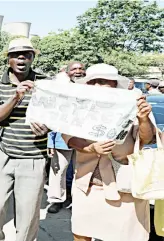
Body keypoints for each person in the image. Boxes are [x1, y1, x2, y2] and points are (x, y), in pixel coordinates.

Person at [62, 63, 155, 241]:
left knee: (125, 235)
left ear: (114, 84)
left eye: (103, 81)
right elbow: (68, 137)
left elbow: (147, 138)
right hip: (87, 185)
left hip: (124, 187)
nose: (97, 86)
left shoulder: (133, 104)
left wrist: (143, 119)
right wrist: (90, 148)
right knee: (82, 233)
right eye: (92, 82)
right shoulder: (79, 107)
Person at [0, 38, 49, 241]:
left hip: (34, 156)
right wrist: (15, 97)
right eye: (16, 55)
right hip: (4, 154)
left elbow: (56, 117)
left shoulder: (44, 83)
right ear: (8, 59)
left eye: (26, 54)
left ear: (32, 58)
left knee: (28, 214)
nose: (21, 58)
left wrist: (47, 126)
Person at [46, 61, 86, 214]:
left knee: (81, 171)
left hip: (85, 139)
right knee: (58, 170)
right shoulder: (59, 90)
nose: (78, 71)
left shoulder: (92, 89)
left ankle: (78, 200)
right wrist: (51, 141)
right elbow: (52, 116)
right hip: (62, 138)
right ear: (67, 72)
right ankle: (57, 200)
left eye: (81, 68)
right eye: (74, 69)